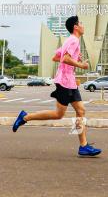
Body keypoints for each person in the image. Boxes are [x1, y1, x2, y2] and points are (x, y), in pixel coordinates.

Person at [12, 16, 101, 157]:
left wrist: (74, 58)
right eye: (81, 23)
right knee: (59, 114)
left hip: (70, 82)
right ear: (76, 27)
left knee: (81, 111)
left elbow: (56, 57)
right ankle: (25, 117)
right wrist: (81, 64)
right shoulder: (73, 40)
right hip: (65, 82)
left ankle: (83, 146)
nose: (83, 26)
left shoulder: (69, 41)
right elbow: (64, 58)